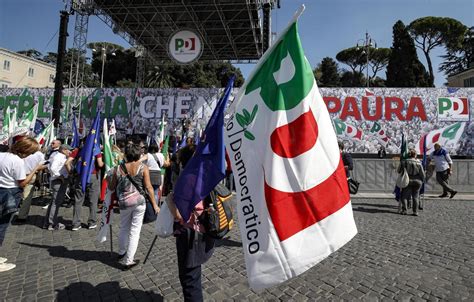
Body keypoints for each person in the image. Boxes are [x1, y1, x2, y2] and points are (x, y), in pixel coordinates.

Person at [167, 143, 215, 302]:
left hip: (190, 236)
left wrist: (169, 202)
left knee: (190, 281)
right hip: (204, 231)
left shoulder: (187, 179)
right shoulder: (207, 175)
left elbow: (180, 216)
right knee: (194, 276)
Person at [107, 144, 159, 270]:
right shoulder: (143, 167)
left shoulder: (118, 168)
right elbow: (149, 187)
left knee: (124, 227)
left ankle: (121, 252)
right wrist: (155, 204)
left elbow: (111, 187)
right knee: (135, 231)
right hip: (139, 202)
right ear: (137, 154)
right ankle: (129, 260)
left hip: (124, 202)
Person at [0, 138, 43, 272]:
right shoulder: (17, 161)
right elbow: (23, 183)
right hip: (9, 193)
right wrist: (35, 169)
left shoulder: (2, 155)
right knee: (2, 226)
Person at [65, 143, 104, 231]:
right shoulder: (95, 150)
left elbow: (67, 163)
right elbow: (100, 164)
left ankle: (76, 223)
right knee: (93, 201)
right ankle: (92, 222)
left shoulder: (77, 150)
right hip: (92, 176)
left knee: (78, 200)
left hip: (80, 176)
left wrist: (71, 173)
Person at [43, 145, 72, 230]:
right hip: (59, 181)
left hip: (59, 180)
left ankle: (48, 222)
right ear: (63, 150)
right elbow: (52, 168)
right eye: (68, 150)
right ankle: (52, 223)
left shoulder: (60, 156)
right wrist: (60, 176)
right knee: (56, 203)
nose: (69, 152)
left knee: (54, 202)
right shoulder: (58, 157)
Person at [15, 147, 45, 223]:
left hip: (17, 175)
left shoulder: (21, 152)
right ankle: (21, 216)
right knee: (26, 197)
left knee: (16, 194)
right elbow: (41, 167)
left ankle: (15, 211)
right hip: (30, 175)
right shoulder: (39, 154)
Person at [398, 149, 425, 216]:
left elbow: (398, 171)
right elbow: (422, 174)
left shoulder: (404, 162)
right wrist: (423, 180)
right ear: (415, 155)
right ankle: (415, 212)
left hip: (407, 180)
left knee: (404, 196)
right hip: (417, 181)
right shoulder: (419, 162)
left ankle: (405, 210)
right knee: (416, 196)